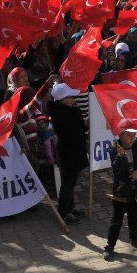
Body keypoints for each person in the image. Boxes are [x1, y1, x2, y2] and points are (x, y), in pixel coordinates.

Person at [102, 129, 137, 261]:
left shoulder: (136, 147)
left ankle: (135, 239)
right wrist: (121, 156)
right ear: (121, 135)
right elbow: (116, 168)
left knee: (134, 216)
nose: (132, 137)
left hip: (135, 190)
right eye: (129, 135)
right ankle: (110, 246)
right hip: (121, 190)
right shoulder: (115, 149)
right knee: (117, 220)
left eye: (134, 135)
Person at [49, 82, 87, 224]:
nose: (74, 100)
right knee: (68, 183)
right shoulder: (62, 113)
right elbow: (77, 127)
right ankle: (64, 212)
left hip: (74, 150)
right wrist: (77, 111)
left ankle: (70, 207)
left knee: (71, 182)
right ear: (63, 99)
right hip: (68, 152)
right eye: (71, 97)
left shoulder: (66, 110)